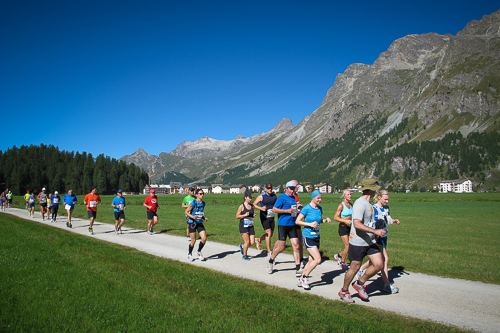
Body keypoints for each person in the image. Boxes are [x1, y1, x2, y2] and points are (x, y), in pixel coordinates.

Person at [338, 179, 386, 303]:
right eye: (375, 188)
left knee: (379, 264)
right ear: (371, 190)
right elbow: (357, 224)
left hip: (369, 241)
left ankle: (360, 283)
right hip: (358, 242)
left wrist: (375, 232)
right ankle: (344, 290)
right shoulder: (360, 204)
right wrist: (375, 231)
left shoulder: (368, 204)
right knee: (354, 268)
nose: (377, 190)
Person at [357, 190, 401, 294]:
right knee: (384, 259)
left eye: (388, 199)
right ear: (379, 197)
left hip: (384, 235)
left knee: (376, 260)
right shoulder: (373, 208)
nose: (387, 201)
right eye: (385, 199)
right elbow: (370, 222)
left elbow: (387, 219)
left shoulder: (386, 208)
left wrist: (394, 221)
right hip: (377, 237)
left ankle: (360, 269)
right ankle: (386, 285)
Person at [295, 190, 331, 290]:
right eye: (318, 198)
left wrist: (325, 220)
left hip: (316, 237)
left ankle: (301, 279)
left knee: (311, 260)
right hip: (308, 237)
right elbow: (297, 221)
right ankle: (305, 278)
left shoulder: (319, 209)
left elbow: (318, 221)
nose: (320, 200)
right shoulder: (306, 208)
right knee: (318, 259)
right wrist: (309, 224)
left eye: (320, 198)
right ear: (313, 198)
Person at [266, 181, 302, 276]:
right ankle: (271, 260)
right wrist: (287, 211)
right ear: (286, 188)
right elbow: (274, 209)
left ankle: (298, 268)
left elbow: (293, 209)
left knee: (296, 245)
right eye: (290, 188)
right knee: (281, 247)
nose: (291, 191)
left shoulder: (293, 197)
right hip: (283, 224)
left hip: (292, 224)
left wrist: (298, 209)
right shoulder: (282, 197)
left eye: (293, 189)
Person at [253, 183, 277, 255]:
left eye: (271, 188)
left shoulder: (274, 196)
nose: (270, 189)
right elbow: (254, 204)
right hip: (264, 216)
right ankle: (269, 250)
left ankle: (259, 240)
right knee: (268, 233)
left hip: (271, 216)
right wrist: (261, 208)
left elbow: (277, 204)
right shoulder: (262, 196)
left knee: (271, 234)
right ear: (265, 189)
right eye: (268, 188)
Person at [185, 188, 208, 261]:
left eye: (203, 194)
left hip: (199, 222)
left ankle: (198, 251)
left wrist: (204, 218)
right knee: (193, 241)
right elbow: (186, 212)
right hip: (192, 223)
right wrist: (193, 217)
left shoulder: (203, 203)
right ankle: (189, 254)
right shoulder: (193, 203)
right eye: (200, 194)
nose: (202, 195)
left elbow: (200, 212)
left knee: (204, 238)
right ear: (197, 195)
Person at [333, 189, 353, 270]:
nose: (350, 196)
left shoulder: (351, 205)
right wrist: (345, 221)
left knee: (350, 245)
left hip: (350, 227)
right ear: (344, 196)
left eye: (350, 194)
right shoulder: (341, 205)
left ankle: (339, 255)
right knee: (347, 246)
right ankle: (342, 262)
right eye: (348, 194)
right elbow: (335, 218)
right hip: (343, 228)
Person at [236, 192, 257, 260]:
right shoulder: (242, 206)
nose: (250, 199)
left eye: (251, 198)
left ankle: (243, 247)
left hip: (250, 225)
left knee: (252, 242)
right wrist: (244, 215)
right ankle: (245, 255)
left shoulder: (252, 206)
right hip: (243, 226)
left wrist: (253, 215)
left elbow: (251, 214)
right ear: (245, 198)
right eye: (249, 198)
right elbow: (237, 216)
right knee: (247, 242)